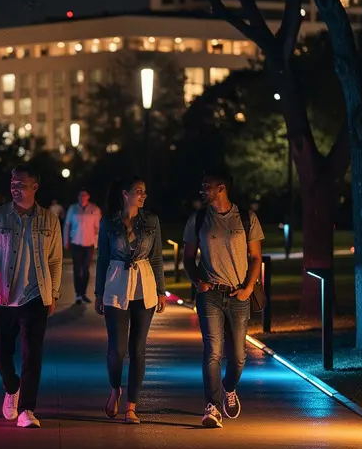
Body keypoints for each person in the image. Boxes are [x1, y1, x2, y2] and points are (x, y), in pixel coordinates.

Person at [0, 164, 63, 429]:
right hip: (3, 296)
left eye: (20, 184)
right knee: (1, 351)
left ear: (34, 187)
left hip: (35, 296)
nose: (14, 188)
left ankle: (27, 408)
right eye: (12, 183)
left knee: (32, 353)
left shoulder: (49, 220)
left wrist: (54, 293)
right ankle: (11, 387)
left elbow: (56, 260)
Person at [182, 169, 263, 428]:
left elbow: (256, 257)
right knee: (213, 352)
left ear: (222, 189)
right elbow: (187, 257)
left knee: (238, 357)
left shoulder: (247, 218)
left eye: (207, 186)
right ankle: (212, 407)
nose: (202, 190)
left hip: (239, 294)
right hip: (210, 296)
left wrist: (249, 287)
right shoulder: (198, 219)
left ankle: (229, 388)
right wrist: (198, 282)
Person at [94, 177, 166, 425]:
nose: (143, 196)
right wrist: (98, 293)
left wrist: (161, 291)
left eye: (145, 192)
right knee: (118, 349)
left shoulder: (152, 221)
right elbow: (103, 259)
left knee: (138, 349)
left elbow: (156, 258)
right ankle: (115, 388)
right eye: (138, 192)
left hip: (144, 286)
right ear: (125, 194)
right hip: (115, 285)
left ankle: (132, 407)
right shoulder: (109, 221)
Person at [63, 189, 101, 304]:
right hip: (76, 242)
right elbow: (67, 224)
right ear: (78, 197)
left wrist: (96, 242)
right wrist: (66, 241)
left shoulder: (94, 209)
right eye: (81, 195)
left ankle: (83, 292)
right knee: (77, 268)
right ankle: (78, 294)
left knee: (85, 269)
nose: (82, 197)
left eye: (84, 195)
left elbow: (98, 228)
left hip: (89, 244)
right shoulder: (73, 209)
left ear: (88, 196)